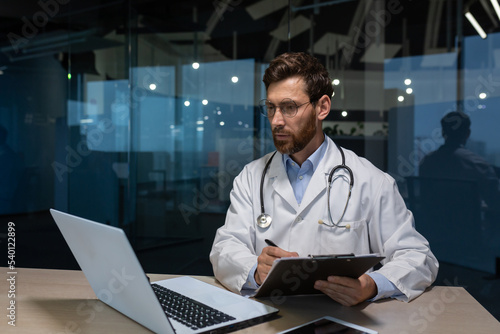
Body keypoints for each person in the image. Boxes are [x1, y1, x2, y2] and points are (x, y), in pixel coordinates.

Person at [210, 52, 438, 306]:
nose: (276, 121)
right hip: (268, 318)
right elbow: (224, 248)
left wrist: (371, 285)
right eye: (271, 108)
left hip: (341, 320)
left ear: (322, 107)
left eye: (289, 108)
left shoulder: (371, 181)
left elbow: (418, 257)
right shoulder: (251, 178)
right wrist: (255, 269)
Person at [419, 111, 500, 208]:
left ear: (443, 132)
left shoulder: (426, 162)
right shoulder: (478, 165)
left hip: (431, 222)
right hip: (468, 222)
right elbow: (495, 203)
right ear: (467, 133)